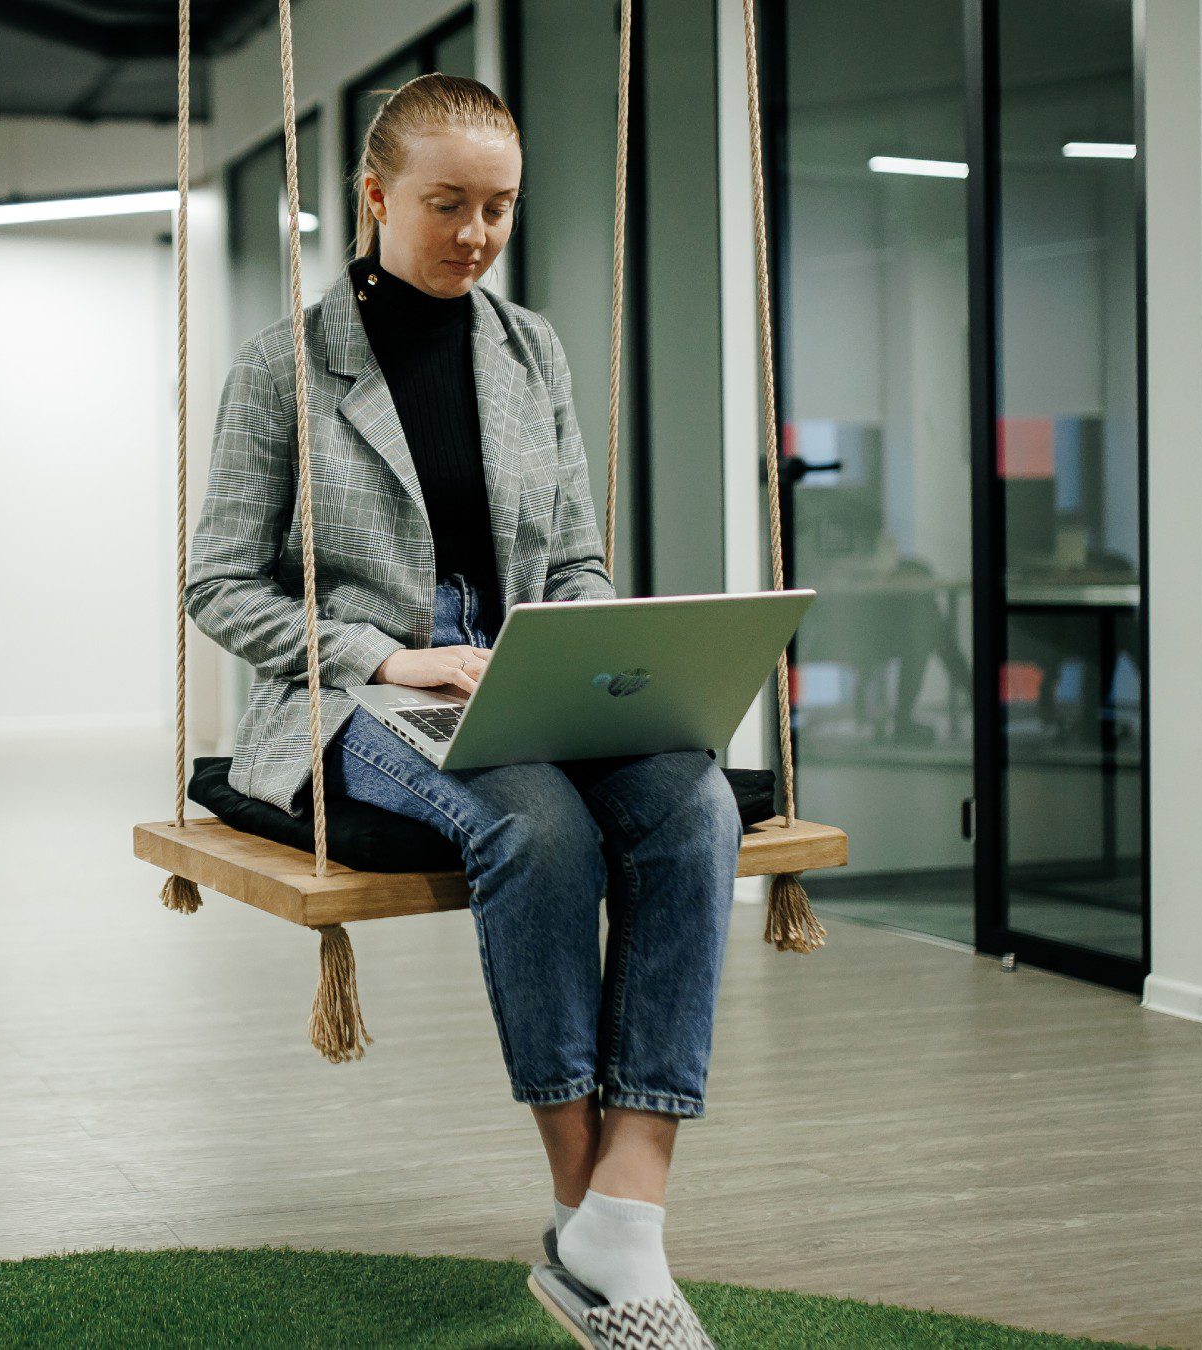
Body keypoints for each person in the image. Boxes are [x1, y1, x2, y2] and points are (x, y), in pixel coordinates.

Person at [184, 73, 735, 1344]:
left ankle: (625, 1209)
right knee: (536, 826)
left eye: (499, 207)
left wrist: (589, 646)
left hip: (528, 677)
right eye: (449, 205)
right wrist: (389, 657)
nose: (477, 234)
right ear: (373, 197)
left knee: (694, 802)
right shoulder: (285, 369)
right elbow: (219, 586)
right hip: (360, 699)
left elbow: (581, 558)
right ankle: (584, 1205)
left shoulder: (532, 349)